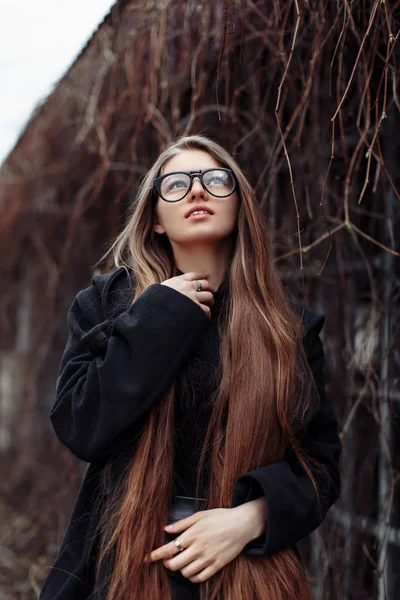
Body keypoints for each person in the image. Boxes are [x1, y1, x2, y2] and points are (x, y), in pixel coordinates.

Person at [39, 134, 342, 600]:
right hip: (125, 568)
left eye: (216, 180)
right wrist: (161, 315)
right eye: (176, 184)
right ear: (156, 218)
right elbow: (81, 425)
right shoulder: (107, 306)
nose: (197, 191)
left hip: (248, 576)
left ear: (239, 207)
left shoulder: (288, 330)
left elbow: (319, 466)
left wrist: (252, 518)